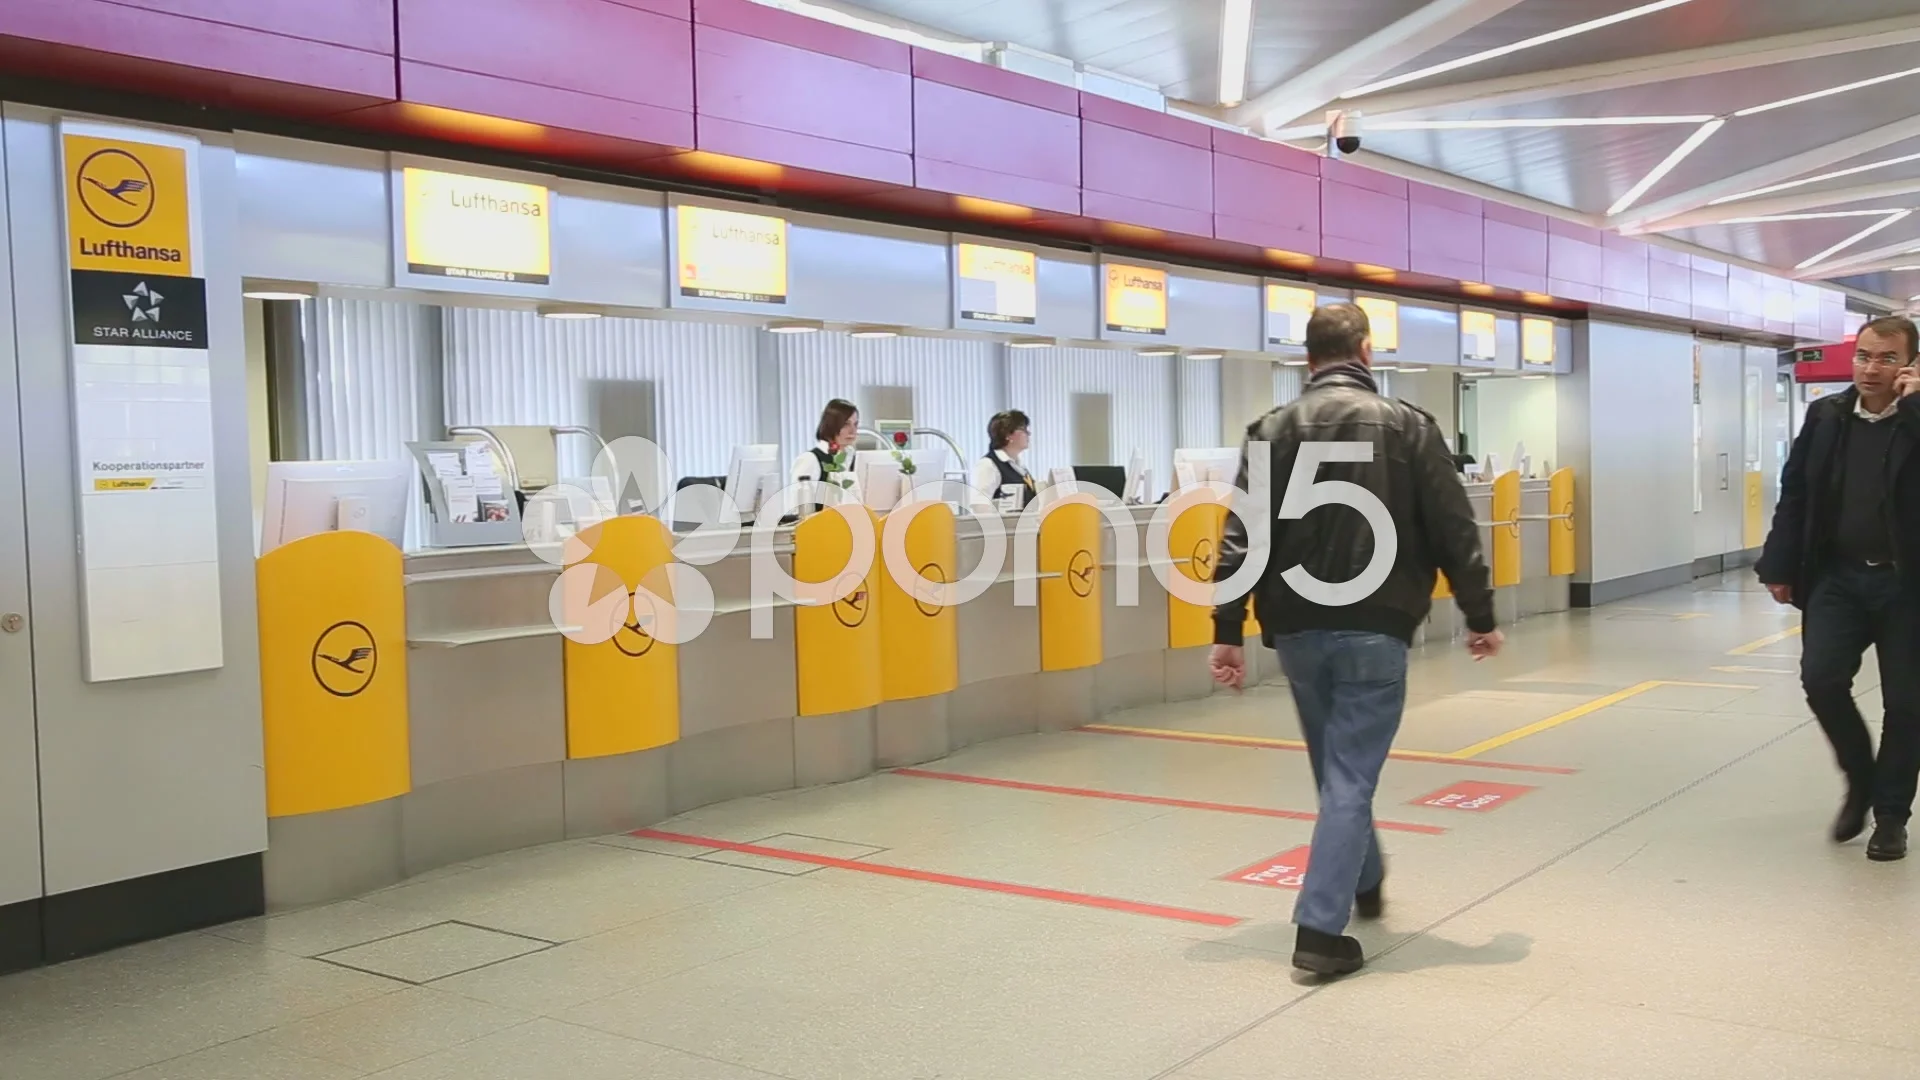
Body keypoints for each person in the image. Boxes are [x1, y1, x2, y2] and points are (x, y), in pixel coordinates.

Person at [1208, 301, 1501, 978]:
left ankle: (1363, 877)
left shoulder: (1272, 429)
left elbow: (1240, 536)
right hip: (1377, 623)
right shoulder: (1408, 427)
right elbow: (1454, 528)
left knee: (1338, 768)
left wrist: (1227, 629)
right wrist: (1479, 615)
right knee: (1349, 773)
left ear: (1306, 358)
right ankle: (1318, 928)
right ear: (1366, 352)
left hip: (1300, 627)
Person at [1756, 315, 1920, 862]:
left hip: (1907, 585)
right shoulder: (1826, 415)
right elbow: (1796, 489)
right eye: (1865, 356)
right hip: (1839, 576)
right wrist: (1779, 564)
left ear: (1910, 365)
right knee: (1821, 678)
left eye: (1888, 359)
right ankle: (1862, 778)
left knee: (1908, 703)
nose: (1872, 369)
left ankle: (1891, 815)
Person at [971, 410, 1035, 510]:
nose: (1029, 433)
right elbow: (979, 506)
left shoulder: (1019, 465)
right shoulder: (988, 465)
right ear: (1008, 434)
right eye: (1024, 430)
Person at [791, 398, 861, 488]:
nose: (852, 431)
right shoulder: (810, 460)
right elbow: (800, 500)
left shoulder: (854, 458)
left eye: (855, 424)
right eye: (846, 424)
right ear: (832, 425)